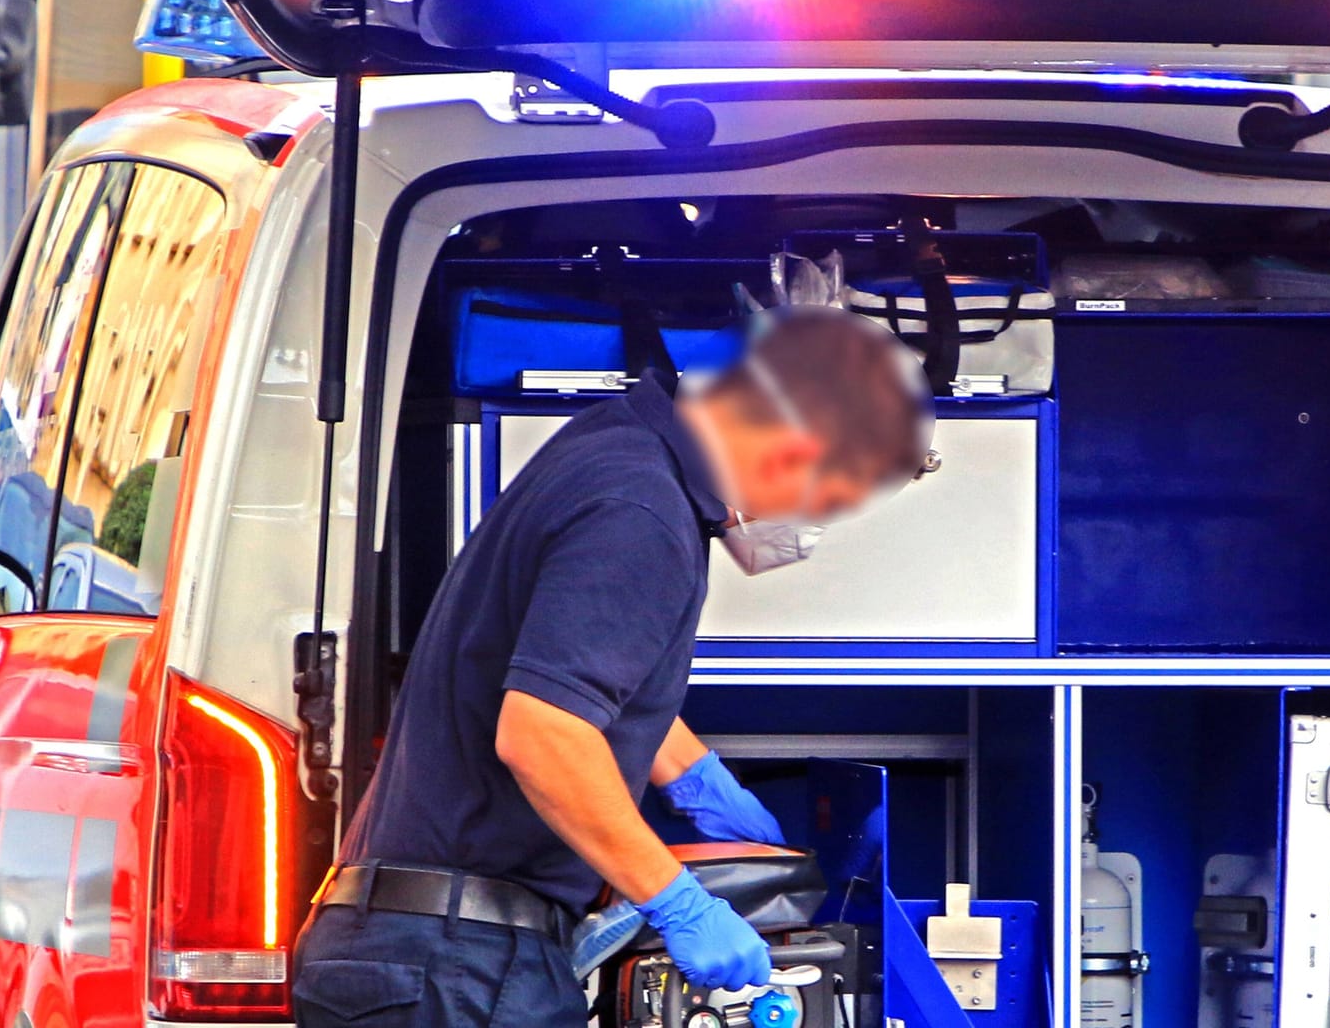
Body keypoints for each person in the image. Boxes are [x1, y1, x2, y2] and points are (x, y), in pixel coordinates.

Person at [292, 308, 934, 1028]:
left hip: (419, 954)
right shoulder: (640, 512)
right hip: (454, 965)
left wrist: (697, 779)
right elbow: (541, 732)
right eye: (824, 498)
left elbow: (580, 673)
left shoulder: (616, 448)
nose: (805, 524)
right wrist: (677, 900)